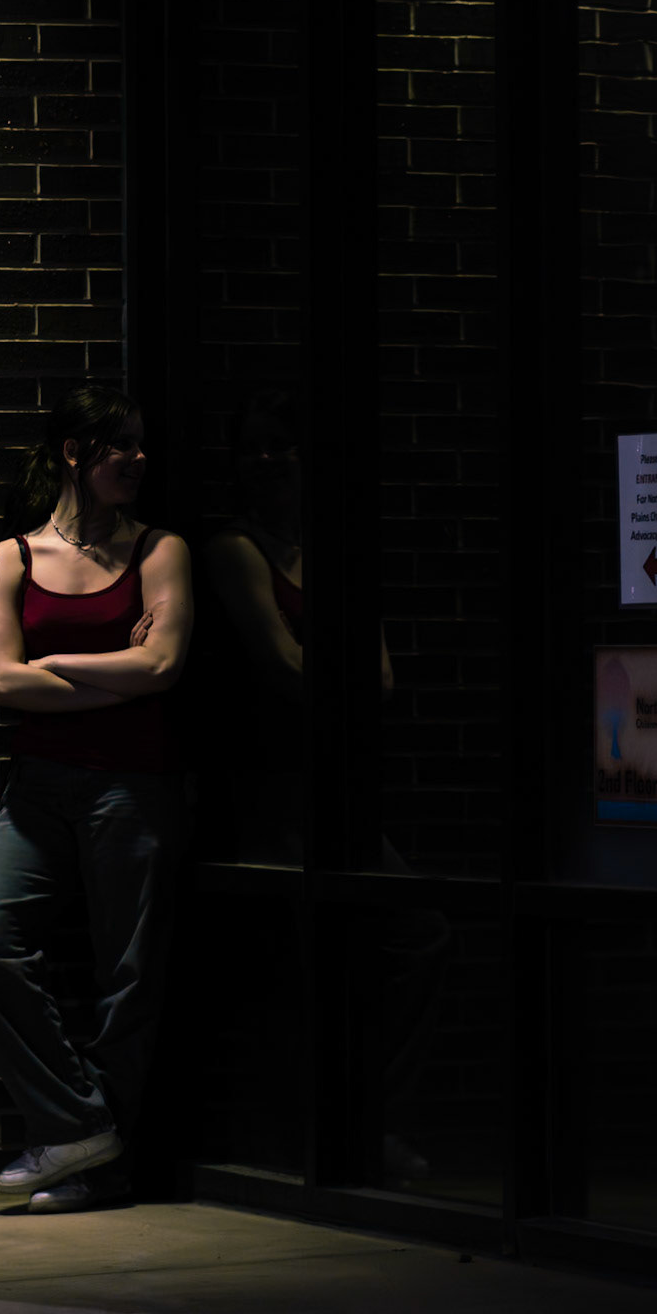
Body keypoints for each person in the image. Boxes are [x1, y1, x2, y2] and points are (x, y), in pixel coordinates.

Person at [0, 382, 193, 1213]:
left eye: (140, 442)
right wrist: (116, 673)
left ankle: (96, 1170)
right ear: (72, 452)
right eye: (119, 443)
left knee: (129, 976)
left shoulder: (160, 549)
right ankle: (78, 1125)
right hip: (38, 787)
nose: (137, 458)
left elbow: (163, 666)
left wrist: (52, 668)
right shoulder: (11, 559)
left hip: (134, 785)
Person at [200, 385, 449, 1182]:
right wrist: (337, 678)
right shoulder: (236, 549)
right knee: (299, 967)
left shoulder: (333, 553)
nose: (265, 460)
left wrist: (331, 676)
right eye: (250, 447)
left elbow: (383, 676)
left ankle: (365, 1123)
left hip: (335, 791)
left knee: (418, 935)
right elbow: (282, 665)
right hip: (269, 790)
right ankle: (311, 1142)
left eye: (279, 445)